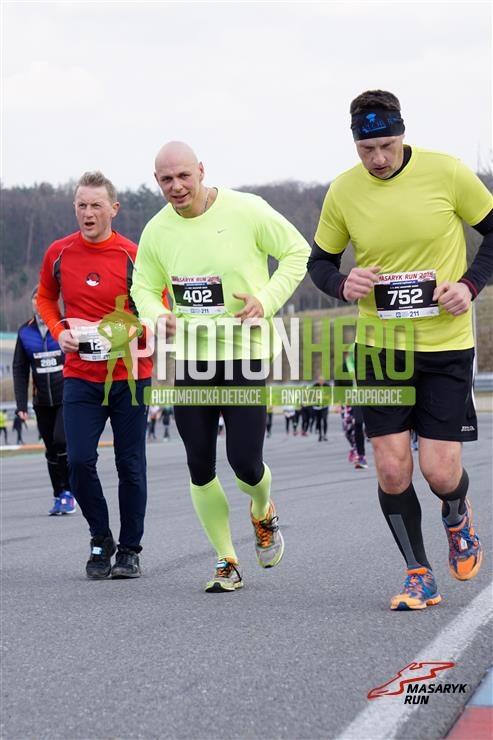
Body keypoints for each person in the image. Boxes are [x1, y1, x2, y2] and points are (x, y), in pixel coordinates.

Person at [308, 89, 493, 610]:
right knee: (391, 470)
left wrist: (470, 284)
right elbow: (319, 262)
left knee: (439, 471)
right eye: (367, 150)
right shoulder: (343, 191)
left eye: (386, 146)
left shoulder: (447, 172)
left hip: (445, 346)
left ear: (402, 134)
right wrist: (342, 283)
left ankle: (457, 513)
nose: (378, 159)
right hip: (381, 348)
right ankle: (418, 575)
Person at [131, 141, 310, 592]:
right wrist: (157, 314)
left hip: (245, 353)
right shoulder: (157, 231)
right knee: (199, 464)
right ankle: (226, 560)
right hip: (192, 358)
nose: (176, 186)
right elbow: (142, 287)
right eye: (167, 179)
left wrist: (266, 300)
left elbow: (296, 251)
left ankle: (262, 510)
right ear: (157, 181)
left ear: (201, 170)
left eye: (183, 176)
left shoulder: (246, 210)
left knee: (245, 463)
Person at [37, 171, 153, 579]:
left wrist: (123, 332)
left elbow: (155, 308)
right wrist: (59, 331)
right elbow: (46, 298)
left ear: (113, 209)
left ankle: (130, 549)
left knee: (130, 464)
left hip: (129, 376)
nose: (88, 213)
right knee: (79, 460)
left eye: (96, 206)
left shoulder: (133, 255)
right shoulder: (59, 253)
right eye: (81, 205)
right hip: (81, 376)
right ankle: (101, 538)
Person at [12, 285, 75, 514]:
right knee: (50, 449)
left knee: (61, 441)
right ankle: (58, 494)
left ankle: (69, 493)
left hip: (66, 397)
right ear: (32, 303)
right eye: (35, 298)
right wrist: (21, 405)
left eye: (43, 298)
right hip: (41, 401)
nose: (39, 302)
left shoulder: (65, 326)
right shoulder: (24, 332)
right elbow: (19, 369)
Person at [312, 376, 330, 441]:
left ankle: (325, 435)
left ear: (324, 380)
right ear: (318, 380)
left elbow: (329, 395)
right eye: (320, 380)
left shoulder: (327, 386)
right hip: (317, 407)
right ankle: (320, 435)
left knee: (324, 419)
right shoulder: (315, 386)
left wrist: (323, 397)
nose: (321, 381)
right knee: (318, 421)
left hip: (324, 406)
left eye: (322, 380)